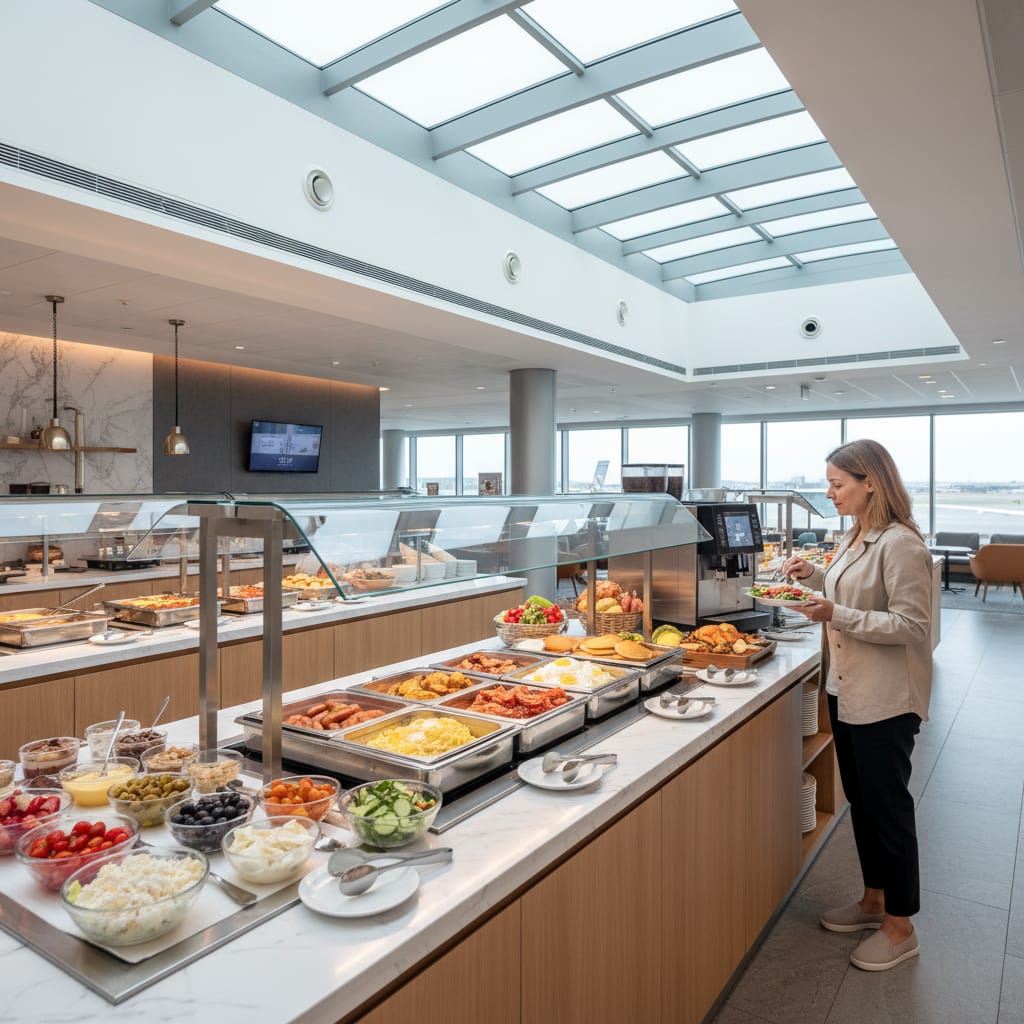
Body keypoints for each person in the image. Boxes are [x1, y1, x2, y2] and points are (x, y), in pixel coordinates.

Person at [781, 438, 932, 972]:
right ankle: (874, 901)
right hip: (847, 689)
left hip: (887, 698)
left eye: (838, 484)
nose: (830, 493)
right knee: (863, 806)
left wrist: (833, 615)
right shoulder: (857, 535)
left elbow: (914, 627)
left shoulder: (902, 543)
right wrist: (815, 579)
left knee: (888, 810)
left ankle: (900, 927)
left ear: (871, 482)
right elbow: (854, 597)